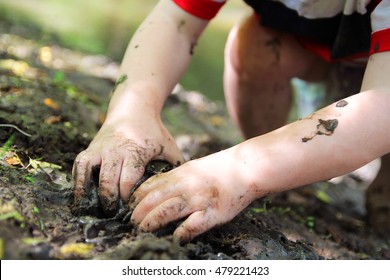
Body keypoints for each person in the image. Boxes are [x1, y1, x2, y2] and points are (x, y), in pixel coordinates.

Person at [73, 0, 390, 241]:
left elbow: (383, 104)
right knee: (259, 45)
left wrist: (240, 168)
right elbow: (177, 19)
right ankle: (281, 178)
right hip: (319, 47)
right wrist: (131, 113)